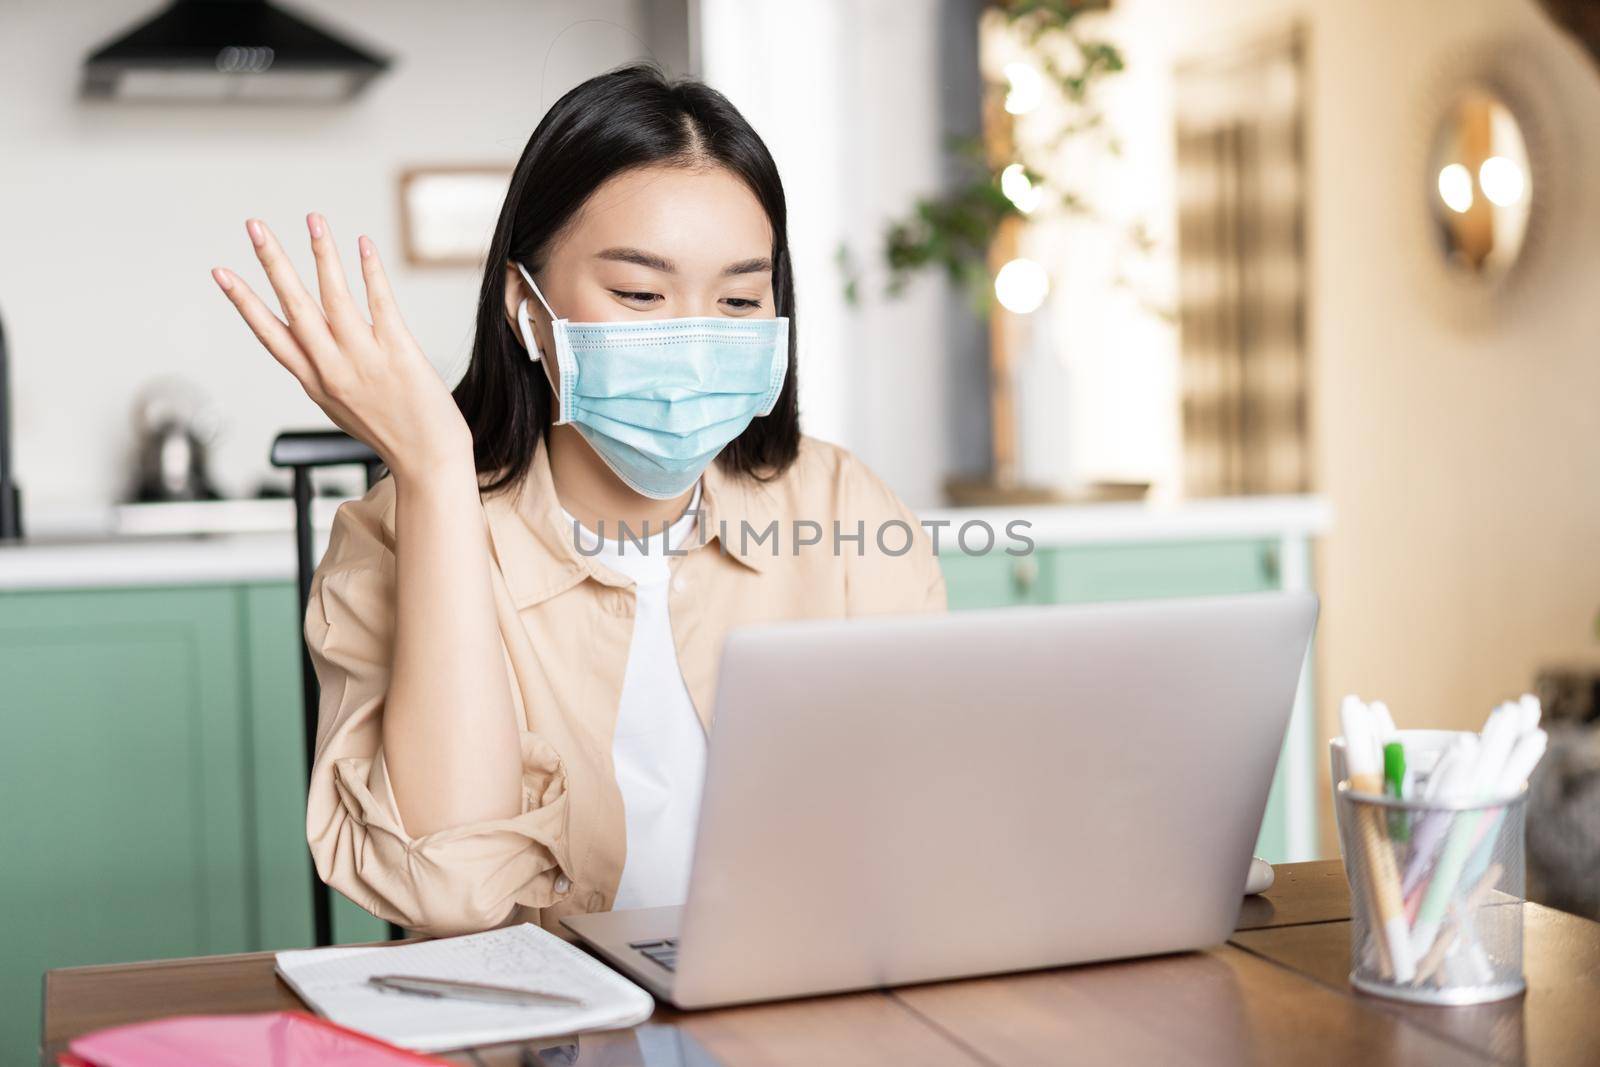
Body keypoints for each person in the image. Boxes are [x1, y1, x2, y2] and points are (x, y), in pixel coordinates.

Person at [211, 62, 946, 939]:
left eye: (740, 298)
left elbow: (930, 831)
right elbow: (452, 896)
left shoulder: (842, 504)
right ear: (526, 306)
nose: (696, 339)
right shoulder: (395, 534)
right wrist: (437, 473)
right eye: (640, 293)